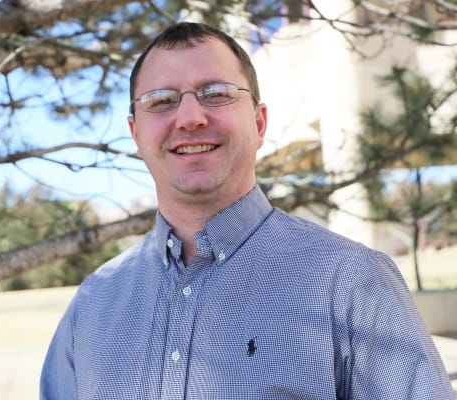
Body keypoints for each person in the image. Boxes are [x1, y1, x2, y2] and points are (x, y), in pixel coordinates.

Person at [40, 22, 455, 399]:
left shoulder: (351, 282)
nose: (189, 117)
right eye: (161, 100)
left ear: (259, 124)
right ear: (135, 133)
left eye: (216, 94)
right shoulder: (92, 303)